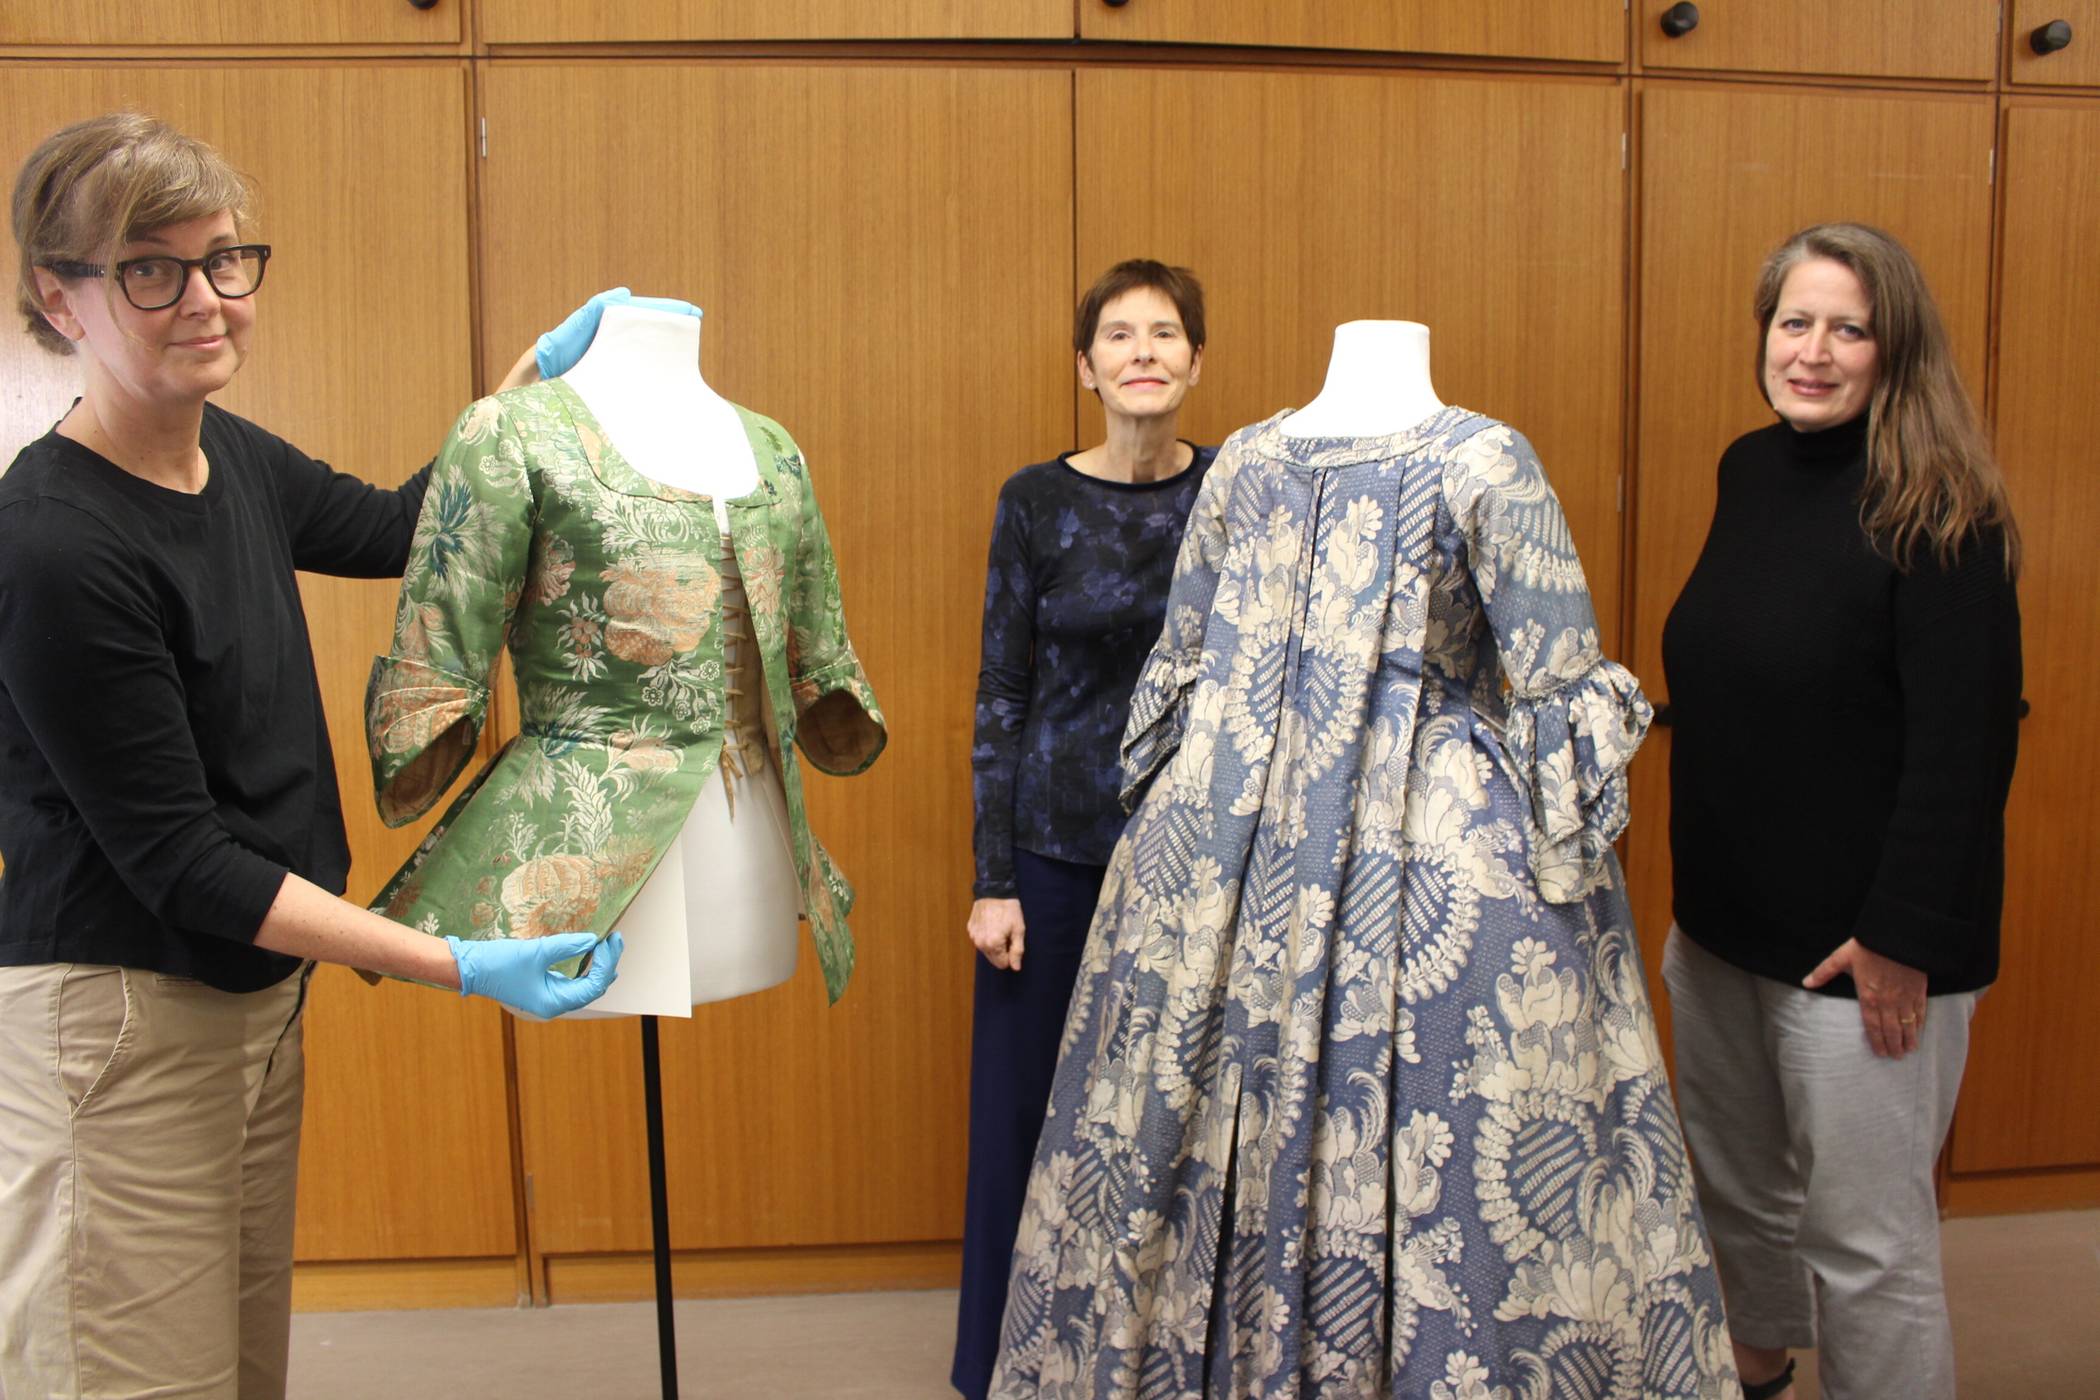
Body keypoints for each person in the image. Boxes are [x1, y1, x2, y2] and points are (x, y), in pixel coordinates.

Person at [990, 322, 1737, 1397]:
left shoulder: (1475, 458)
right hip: (1261, 848)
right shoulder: (1252, 459)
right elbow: (1556, 684)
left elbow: (1551, 685)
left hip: (1338, 843)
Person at [0, 113, 622, 1400]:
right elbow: (184, 862)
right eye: (150, 270)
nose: (208, 300)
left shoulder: (230, 453)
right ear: (58, 298)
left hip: (251, 1000)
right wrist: (455, 961)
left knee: (233, 1370)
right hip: (118, 1016)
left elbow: (407, 526)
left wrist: (517, 397)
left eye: (225, 258)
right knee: (127, 1377)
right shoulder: (55, 541)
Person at [1660, 222, 2022, 1400]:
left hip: (1864, 951)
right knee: (1741, 1189)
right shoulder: (1751, 469)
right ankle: (1757, 1359)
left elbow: (1966, 748)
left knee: (1870, 1246)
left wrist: (1904, 939)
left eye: (1848, 329)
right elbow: (1760, 670)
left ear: (1894, 348)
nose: (1812, 352)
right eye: (1794, 321)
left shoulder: (1944, 510)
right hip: (1722, 925)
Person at [954, 259, 1215, 1400]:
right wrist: (991, 876)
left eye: (1165, 332)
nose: (1143, 350)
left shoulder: (1240, 490)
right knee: (1023, 1107)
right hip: (1054, 857)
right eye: (1120, 333)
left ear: (1197, 361)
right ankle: (1000, 1359)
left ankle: (1159, 1355)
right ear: (1087, 365)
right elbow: (1000, 695)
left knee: (1186, 1116)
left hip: (1199, 859)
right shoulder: (1036, 500)